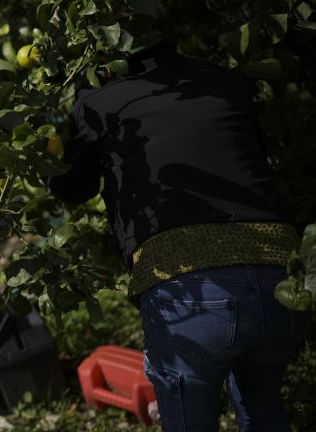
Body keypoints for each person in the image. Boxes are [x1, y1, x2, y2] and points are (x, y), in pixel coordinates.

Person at [49, 43, 310, 431]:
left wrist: (53, 144)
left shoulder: (98, 101)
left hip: (192, 286)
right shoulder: (226, 80)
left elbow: (73, 188)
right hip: (281, 277)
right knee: (265, 409)